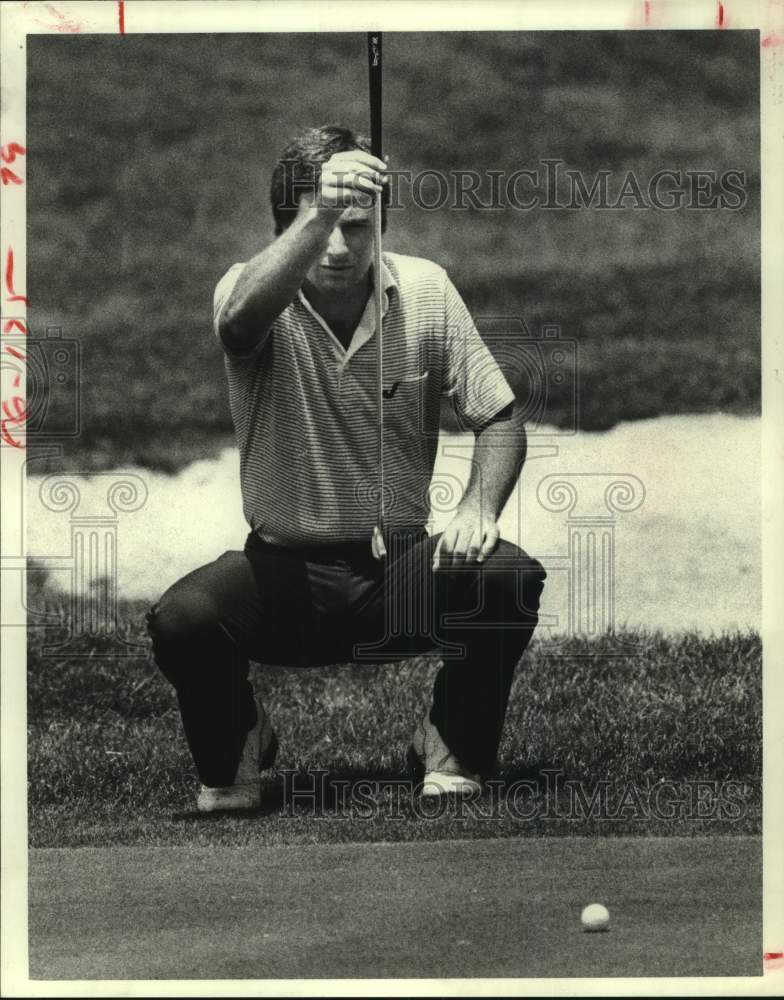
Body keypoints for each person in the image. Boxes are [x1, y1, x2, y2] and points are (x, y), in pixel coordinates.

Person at [146, 125, 546, 812]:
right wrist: (323, 208)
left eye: (357, 226)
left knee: (506, 578)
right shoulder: (249, 292)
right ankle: (242, 739)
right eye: (318, 225)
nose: (338, 246)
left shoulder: (426, 291)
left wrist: (480, 505)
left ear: (381, 222)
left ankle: (448, 741)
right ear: (286, 227)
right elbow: (237, 326)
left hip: (398, 572)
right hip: (280, 580)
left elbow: (499, 418)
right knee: (183, 621)